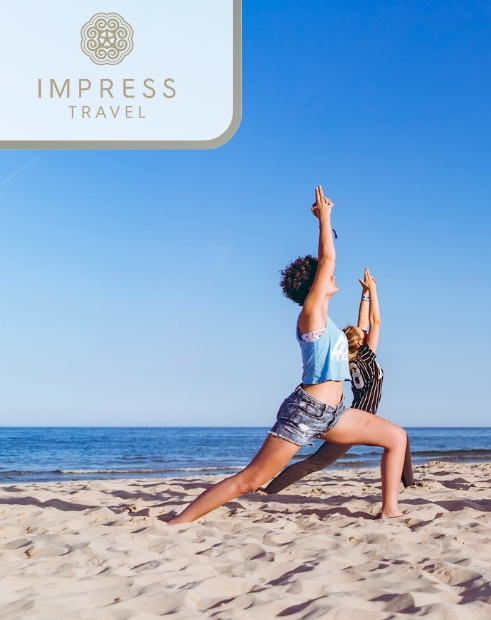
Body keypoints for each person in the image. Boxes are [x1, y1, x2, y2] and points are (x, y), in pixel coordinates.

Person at [169, 186, 409, 524]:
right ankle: (177, 523)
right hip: (306, 412)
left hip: (336, 413)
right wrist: (325, 219)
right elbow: (327, 260)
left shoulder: (328, 322)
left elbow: (360, 317)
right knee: (251, 480)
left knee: (396, 437)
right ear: (314, 285)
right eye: (325, 277)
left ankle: (390, 510)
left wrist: (368, 296)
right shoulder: (311, 316)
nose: (333, 276)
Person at [261, 267, 415, 494]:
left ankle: (410, 484)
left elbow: (363, 322)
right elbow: (375, 321)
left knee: (400, 437)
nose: (364, 332)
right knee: (315, 463)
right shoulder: (366, 356)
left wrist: (364, 295)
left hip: (356, 414)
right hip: (354, 418)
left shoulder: (352, 355)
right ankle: (267, 492)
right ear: (361, 343)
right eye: (362, 334)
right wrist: (374, 290)